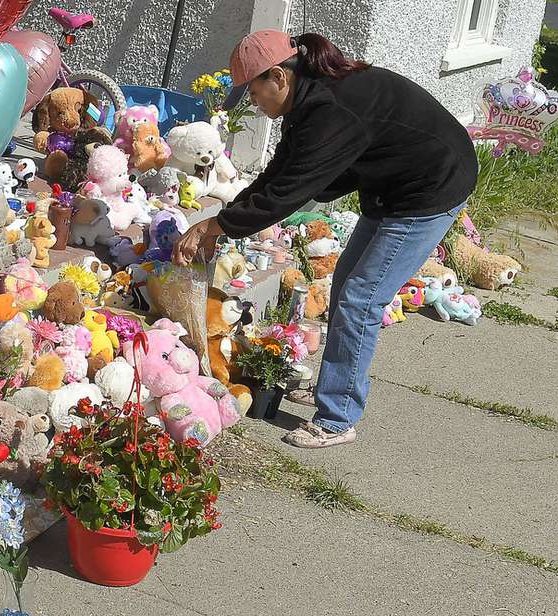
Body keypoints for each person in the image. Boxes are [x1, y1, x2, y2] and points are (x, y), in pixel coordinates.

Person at [173, 30, 477, 449]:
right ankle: (334, 389)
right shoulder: (309, 98)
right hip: (393, 186)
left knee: (361, 300)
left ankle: (338, 418)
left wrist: (215, 227)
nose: (255, 106)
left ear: (278, 77)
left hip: (429, 190)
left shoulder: (331, 108)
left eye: (255, 93)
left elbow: (287, 193)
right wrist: (224, 220)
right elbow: (277, 174)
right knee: (347, 290)